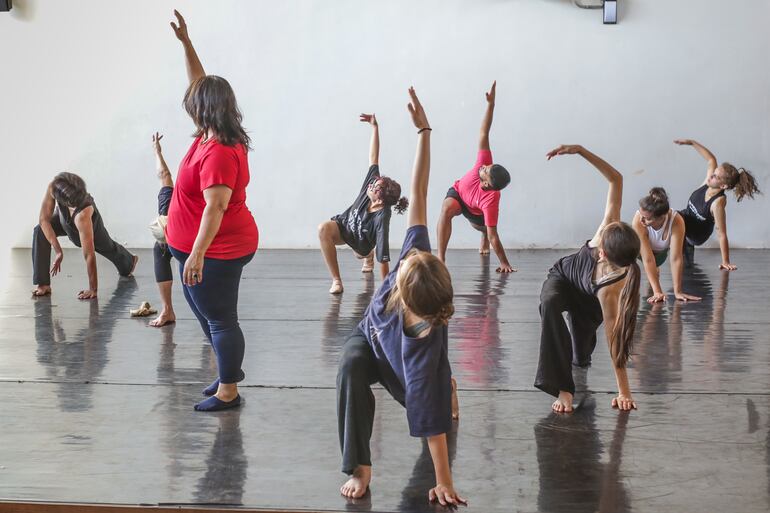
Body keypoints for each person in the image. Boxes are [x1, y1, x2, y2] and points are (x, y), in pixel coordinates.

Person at [336, 88, 466, 507]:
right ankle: (360, 465)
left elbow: (431, 426)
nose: (402, 264)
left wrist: (443, 480)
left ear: (408, 301)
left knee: (429, 403)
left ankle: (449, 385)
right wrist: (424, 131)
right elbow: (421, 189)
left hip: (403, 365)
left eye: (401, 275)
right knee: (350, 367)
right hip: (371, 337)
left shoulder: (423, 347)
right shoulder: (418, 256)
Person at [165, 10, 258, 411]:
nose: (189, 105)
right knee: (209, 318)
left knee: (221, 320)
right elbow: (198, 84)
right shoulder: (211, 132)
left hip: (219, 249)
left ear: (205, 109)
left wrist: (198, 254)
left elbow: (215, 208)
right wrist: (187, 43)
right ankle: (224, 374)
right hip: (198, 248)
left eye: (193, 104)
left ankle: (229, 391)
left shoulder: (219, 151)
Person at [534, 145, 641, 413]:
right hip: (563, 279)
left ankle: (578, 356)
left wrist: (624, 391)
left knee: (580, 358)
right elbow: (616, 178)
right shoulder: (612, 227)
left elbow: (614, 337)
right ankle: (564, 389)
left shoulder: (610, 290)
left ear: (603, 254)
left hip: (589, 301)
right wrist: (580, 150)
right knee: (549, 304)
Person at [318, 113, 408, 294]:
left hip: (361, 244)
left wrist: (385, 291)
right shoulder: (372, 184)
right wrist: (375, 128)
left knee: (362, 254)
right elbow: (374, 156)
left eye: (375, 186)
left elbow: (383, 257)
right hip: (344, 227)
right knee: (323, 229)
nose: (372, 184)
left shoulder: (382, 218)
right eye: (375, 182)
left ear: (380, 198)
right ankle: (337, 280)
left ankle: (367, 257)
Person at [437, 81, 515, 273]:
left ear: (488, 184)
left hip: (476, 210)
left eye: (485, 171)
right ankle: (440, 257)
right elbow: (483, 132)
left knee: (483, 230)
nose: (483, 167)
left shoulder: (490, 201)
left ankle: (481, 238)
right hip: (458, 194)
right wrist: (491, 105)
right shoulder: (484, 161)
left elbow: (494, 235)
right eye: (487, 166)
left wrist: (504, 263)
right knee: (447, 208)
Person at [31, 173, 138, 299]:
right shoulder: (54, 187)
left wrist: (93, 289)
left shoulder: (83, 214)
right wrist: (58, 251)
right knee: (40, 231)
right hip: (64, 218)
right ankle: (43, 284)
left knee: (105, 246)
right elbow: (44, 220)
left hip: (87, 220)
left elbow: (89, 254)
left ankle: (129, 262)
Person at [674, 139, 761, 270]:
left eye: (715, 176)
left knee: (672, 216)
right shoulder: (708, 182)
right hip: (686, 223)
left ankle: (656, 250)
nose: (711, 176)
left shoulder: (717, 202)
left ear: (723, 185)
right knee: (685, 271)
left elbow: (722, 234)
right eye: (713, 173)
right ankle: (684, 251)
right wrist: (691, 143)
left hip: (697, 234)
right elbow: (711, 159)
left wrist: (725, 261)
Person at [632, 187, 701, 304]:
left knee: (656, 265)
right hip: (637, 252)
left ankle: (655, 272)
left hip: (660, 255)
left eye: (647, 219)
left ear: (661, 217)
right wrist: (657, 291)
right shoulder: (638, 220)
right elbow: (648, 259)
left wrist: (677, 291)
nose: (641, 220)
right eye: (641, 215)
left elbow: (676, 258)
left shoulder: (676, 220)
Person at [148, 132, 177, 327]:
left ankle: (168, 310)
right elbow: (164, 175)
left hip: (194, 239)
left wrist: (157, 151)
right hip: (173, 238)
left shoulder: (200, 202)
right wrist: (157, 152)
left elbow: (165, 175)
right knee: (160, 249)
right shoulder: (167, 201)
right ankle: (167, 310)